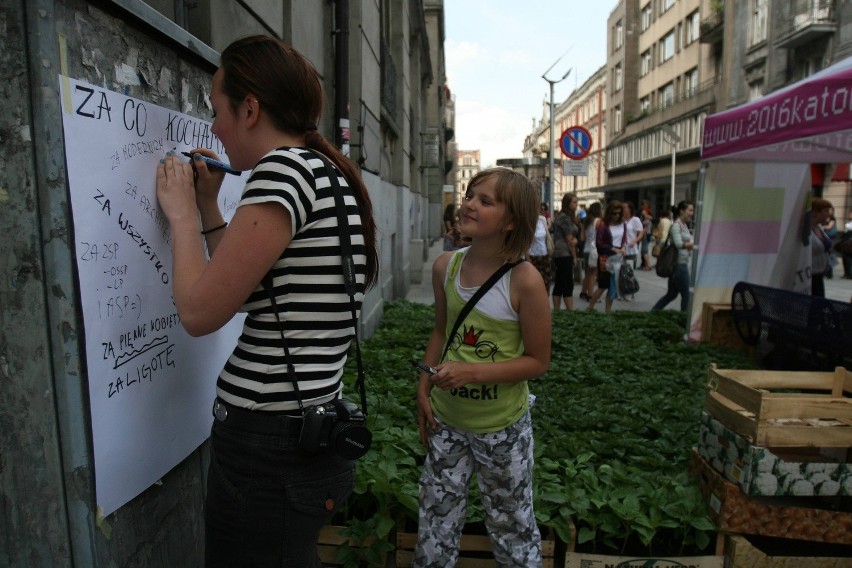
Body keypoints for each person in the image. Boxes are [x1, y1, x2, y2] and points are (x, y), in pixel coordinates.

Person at [155, 35, 379, 567]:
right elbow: (256, 292)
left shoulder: (284, 171)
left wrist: (182, 216)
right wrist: (210, 206)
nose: (213, 128)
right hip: (300, 437)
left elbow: (200, 312)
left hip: (268, 447)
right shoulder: (323, 173)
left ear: (249, 108)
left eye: (218, 110)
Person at [413, 168, 551, 567]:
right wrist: (424, 386)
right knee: (435, 525)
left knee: (513, 527)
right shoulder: (446, 267)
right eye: (471, 194)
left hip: (502, 429)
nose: (469, 203)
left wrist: (472, 372)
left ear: (511, 221)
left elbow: (538, 361)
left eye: (485, 200)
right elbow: (441, 332)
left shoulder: (525, 281)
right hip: (447, 423)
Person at [651, 201, 695, 312]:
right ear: (682, 210)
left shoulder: (683, 225)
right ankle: (684, 320)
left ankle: (653, 312)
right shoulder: (676, 225)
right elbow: (678, 243)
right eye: (689, 210)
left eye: (692, 210)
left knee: (671, 294)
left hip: (681, 264)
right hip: (678, 266)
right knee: (687, 296)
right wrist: (694, 244)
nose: (692, 213)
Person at [587, 201, 627, 313]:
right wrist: (612, 248)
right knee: (603, 285)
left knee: (612, 285)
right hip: (605, 258)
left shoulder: (622, 224)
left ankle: (608, 311)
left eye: (619, 213)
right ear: (609, 213)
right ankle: (590, 307)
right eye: (614, 213)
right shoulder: (603, 225)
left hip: (618, 257)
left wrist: (623, 247)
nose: (617, 216)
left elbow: (624, 238)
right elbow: (599, 243)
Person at [551, 192, 582, 310]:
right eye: (574, 202)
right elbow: (569, 240)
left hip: (559, 253)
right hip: (564, 253)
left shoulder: (564, 217)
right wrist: (574, 257)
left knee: (559, 282)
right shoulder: (564, 218)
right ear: (567, 203)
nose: (576, 204)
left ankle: (557, 310)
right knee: (568, 283)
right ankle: (570, 311)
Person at [810, 198, 833, 297]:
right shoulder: (807, 229)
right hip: (810, 275)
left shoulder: (819, 227)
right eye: (826, 211)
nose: (829, 214)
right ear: (816, 212)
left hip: (820, 273)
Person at [621, 201, 644, 300]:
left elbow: (641, 232)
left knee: (629, 271)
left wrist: (635, 241)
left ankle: (630, 291)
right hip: (621, 248)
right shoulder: (621, 220)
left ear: (630, 208)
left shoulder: (635, 220)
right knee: (621, 271)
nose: (623, 209)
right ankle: (623, 291)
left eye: (625, 207)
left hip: (631, 248)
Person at [580, 202, 602, 301]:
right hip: (594, 250)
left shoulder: (586, 221)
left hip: (586, 248)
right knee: (593, 273)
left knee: (587, 273)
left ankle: (583, 292)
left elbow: (582, 237)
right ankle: (590, 295)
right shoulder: (598, 221)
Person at [529, 208, 553, 295]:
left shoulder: (542, 219)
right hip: (532, 256)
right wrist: (528, 259)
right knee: (532, 282)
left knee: (546, 281)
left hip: (544, 255)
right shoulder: (527, 221)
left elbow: (546, 235)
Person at [639, 199, 654, 270]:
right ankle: (644, 264)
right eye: (642, 205)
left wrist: (645, 215)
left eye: (644, 205)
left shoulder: (647, 212)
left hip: (646, 232)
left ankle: (647, 265)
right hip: (645, 232)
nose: (643, 207)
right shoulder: (642, 213)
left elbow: (650, 219)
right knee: (644, 249)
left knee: (644, 250)